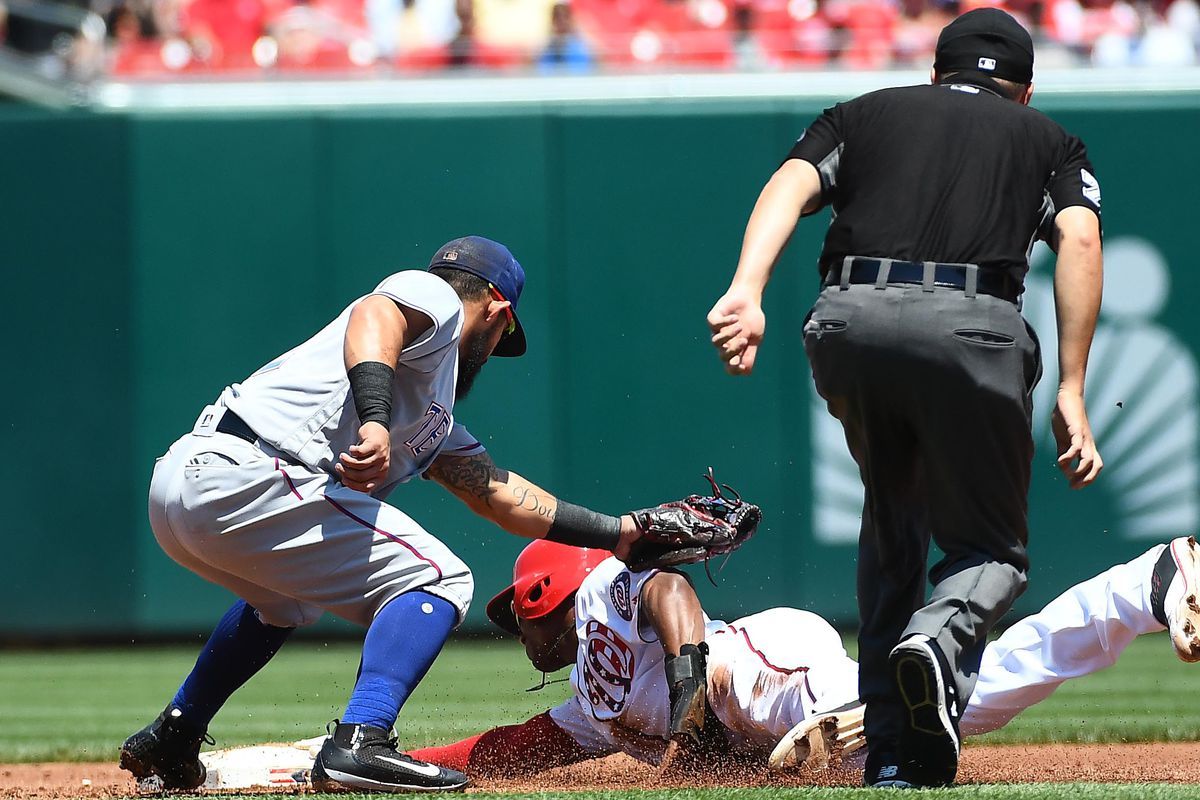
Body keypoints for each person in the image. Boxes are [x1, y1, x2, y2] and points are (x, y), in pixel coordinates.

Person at [705, 7, 1104, 788]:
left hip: (848, 322)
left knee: (893, 524)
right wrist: (1074, 387)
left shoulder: (863, 111)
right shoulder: (1050, 140)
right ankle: (937, 637)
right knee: (989, 551)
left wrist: (747, 291)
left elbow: (788, 185)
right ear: (1025, 91)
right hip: (974, 329)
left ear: (934, 72)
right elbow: (1081, 241)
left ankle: (889, 748)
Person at [119, 236, 658, 794]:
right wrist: (374, 420)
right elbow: (375, 313)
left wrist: (620, 533)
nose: (493, 352)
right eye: (501, 339)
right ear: (498, 311)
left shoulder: (431, 405)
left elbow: (494, 492)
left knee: (284, 605)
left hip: (187, 488)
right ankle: (361, 741)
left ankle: (174, 734)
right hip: (254, 471)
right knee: (442, 577)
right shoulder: (438, 301)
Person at [399, 535, 1200, 779]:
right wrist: (417, 767)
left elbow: (672, 597)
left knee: (823, 725)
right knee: (967, 702)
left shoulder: (606, 585)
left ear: (544, 594)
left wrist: (682, 720)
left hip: (758, 666)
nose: (516, 629)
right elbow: (516, 748)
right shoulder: (589, 699)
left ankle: (846, 716)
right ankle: (1142, 584)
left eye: (517, 611)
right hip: (756, 702)